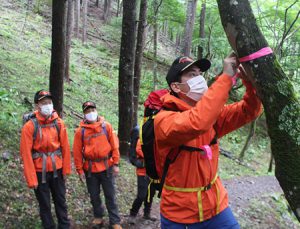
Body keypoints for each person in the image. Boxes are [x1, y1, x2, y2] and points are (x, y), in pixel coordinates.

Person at [154, 54, 262, 228]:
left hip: (216, 207)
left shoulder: (212, 116)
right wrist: (226, 77)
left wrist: (250, 82)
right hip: (180, 215)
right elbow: (198, 121)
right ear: (175, 86)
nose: (199, 79)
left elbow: (250, 110)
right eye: (191, 75)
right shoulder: (164, 120)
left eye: (199, 74)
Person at [20, 90, 71, 229]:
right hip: (38, 171)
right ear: (37, 106)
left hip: (58, 169)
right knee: (44, 204)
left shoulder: (59, 123)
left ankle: (64, 226)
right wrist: (31, 179)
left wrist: (66, 170)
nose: (47, 105)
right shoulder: (30, 126)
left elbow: (65, 148)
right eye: (44, 103)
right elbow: (26, 153)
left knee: (61, 201)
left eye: (49, 102)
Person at [73, 101, 122, 229]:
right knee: (94, 195)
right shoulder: (80, 132)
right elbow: (77, 152)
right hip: (90, 169)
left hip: (107, 167)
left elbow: (115, 146)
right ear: (84, 114)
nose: (90, 113)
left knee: (110, 195)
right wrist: (80, 171)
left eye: (92, 110)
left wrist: (116, 163)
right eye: (87, 111)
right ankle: (98, 218)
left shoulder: (106, 127)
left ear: (96, 110)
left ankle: (115, 221)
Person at [128, 126, 156, 224]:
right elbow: (136, 151)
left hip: (152, 170)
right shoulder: (140, 136)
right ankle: (132, 214)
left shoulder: (156, 135)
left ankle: (147, 213)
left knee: (151, 193)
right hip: (142, 170)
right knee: (141, 195)